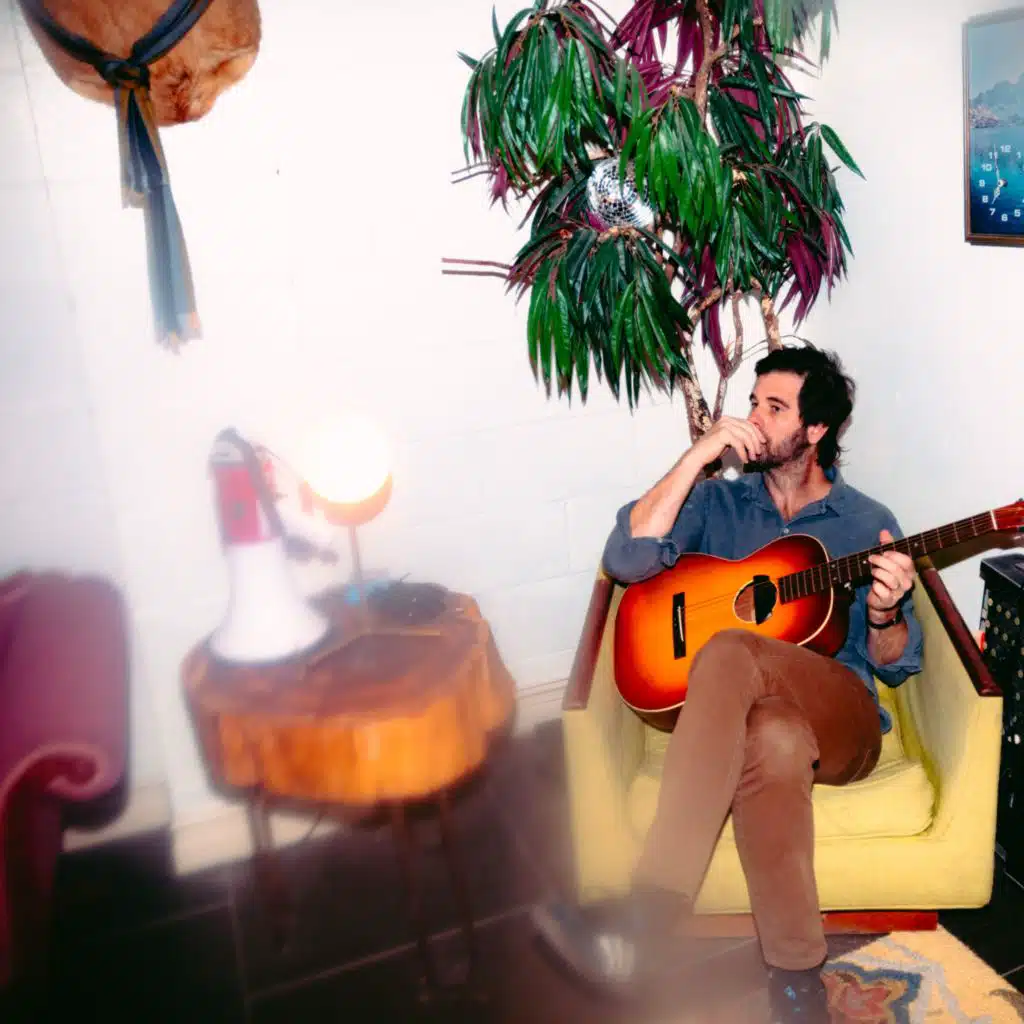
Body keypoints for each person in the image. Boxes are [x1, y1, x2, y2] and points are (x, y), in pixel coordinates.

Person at [532, 344, 923, 1022]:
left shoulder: (866, 522)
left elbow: (894, 661)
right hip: (763, 722)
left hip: (845, 719)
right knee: (771, 739)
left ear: (815, 429)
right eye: (753, 403)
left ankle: (648, 915)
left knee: (732, 649)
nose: (754, 418)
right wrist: (698, 456)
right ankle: (798, 983)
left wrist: (886, 612)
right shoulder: (718, 502)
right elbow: (625, 556)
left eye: (775, 407)